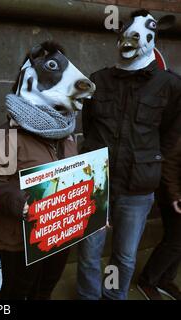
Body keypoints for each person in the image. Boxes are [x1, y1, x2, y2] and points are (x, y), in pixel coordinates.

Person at [77, 10, 181, 300]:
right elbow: (90, 128)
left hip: (137, 188)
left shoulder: (170, 86)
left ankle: (114, 297)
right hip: (97, 184)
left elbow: (171, 133)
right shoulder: (98, 80)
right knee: (88, 252)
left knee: (124, 256)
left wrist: (151, 160)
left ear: (152, 38)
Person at [0, 41, 95, 300]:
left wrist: (93, 206)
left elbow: (75, 176)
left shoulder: (66, 133)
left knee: (44, 290)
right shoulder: (7, 135)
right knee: (16, 291)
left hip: (59, 235)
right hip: (19, 240)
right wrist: (20, 202)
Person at [137, 133, 181, 300]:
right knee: (175, 242)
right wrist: (175, 195)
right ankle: (147, 280)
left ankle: (165, 280)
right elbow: (170, 164)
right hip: (174, 198)